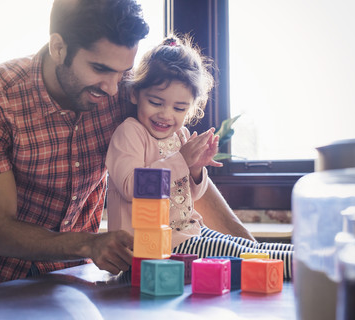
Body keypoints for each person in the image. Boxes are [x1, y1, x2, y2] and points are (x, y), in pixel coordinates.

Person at [0, 0, 254, 292]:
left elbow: (178, 170)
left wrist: (250, 248)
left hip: (70, 271)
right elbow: (0, 230)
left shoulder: (127, 93)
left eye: (123, 72)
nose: (113, 88)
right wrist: (89, 243)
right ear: (59, 48)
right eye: (100, 68)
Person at [105, 35, 294, 279]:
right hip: (153, 251)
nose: (165, 114)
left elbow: (187, 196)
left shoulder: (180, 135)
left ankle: (312, 260)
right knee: (245, 257)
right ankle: (311, 270)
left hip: (190, 233)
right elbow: (132, 187)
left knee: (252, 249)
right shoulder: (130, 132)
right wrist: (181, 161)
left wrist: (195, 170)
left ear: (192, 108)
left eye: (179, 108)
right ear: (135, 94)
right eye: (155, 102)